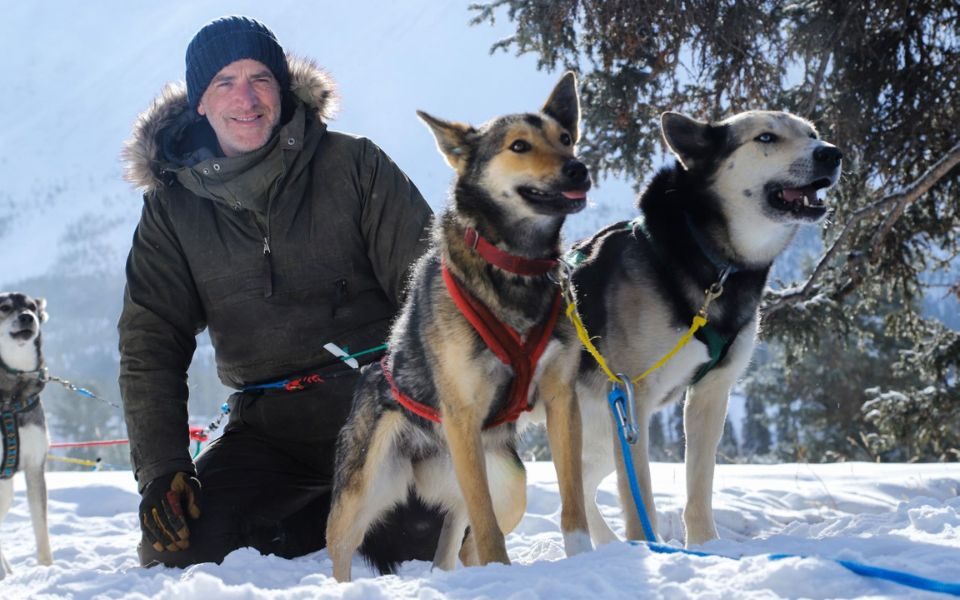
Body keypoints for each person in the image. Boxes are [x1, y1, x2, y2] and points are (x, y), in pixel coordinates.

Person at [118, 15, 440, 569]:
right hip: (269, 433)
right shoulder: (172, 210)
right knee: (180, 549)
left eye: (260, 78)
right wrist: (163, 469)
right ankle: (316, 519)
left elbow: (432, 297)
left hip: (386, 418)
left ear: (283, 88)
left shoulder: (353, 165)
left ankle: (323, 521)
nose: (246, 97)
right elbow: (151, 339)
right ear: (199, 102)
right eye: (224, 82)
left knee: (415, 542)